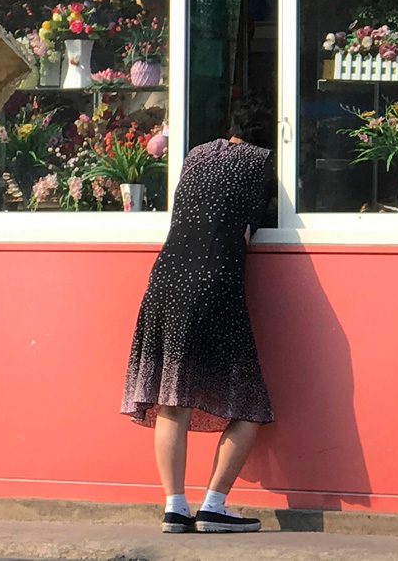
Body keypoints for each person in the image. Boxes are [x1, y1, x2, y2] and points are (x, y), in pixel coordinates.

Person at [120, 95, 276, 534]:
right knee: (250, 403)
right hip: (213, 285)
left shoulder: (197, 154)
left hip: (164, 281)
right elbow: (259, 219)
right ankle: (213, 505)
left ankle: (174, 507)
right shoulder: (261, 163)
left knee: (174, 399)